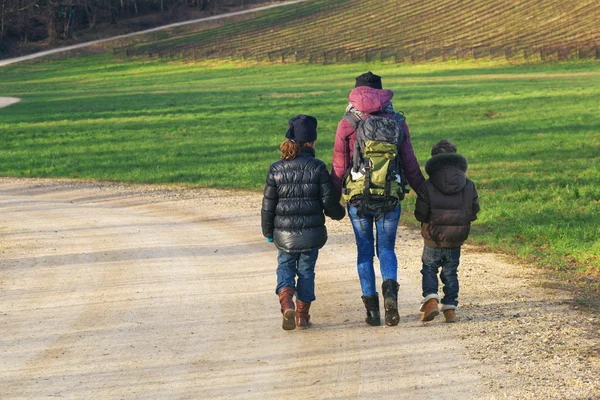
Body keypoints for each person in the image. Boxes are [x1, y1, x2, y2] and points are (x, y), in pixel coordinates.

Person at [331, 72, 425, 326]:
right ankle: (390, 295)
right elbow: (410, 162)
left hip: (358, 199)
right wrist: (425, 191)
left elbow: (339, 166)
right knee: (386, 249)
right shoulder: (397, 121)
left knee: (364, 253)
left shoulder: (347, 122)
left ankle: (372, 310)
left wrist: (329, 197)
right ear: (382, 93)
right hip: (390, 196)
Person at [262, 114, 345, 331]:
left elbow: (268, 204)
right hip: (311, 235)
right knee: (307, 272)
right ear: (312, 142)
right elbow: (328, 200)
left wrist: (268, 231)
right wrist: (339, 213)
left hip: (284, 235)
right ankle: (302, 316)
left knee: (285, 266)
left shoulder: (276, 168)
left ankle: (286, 301)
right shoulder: (317, 167)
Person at [414, 139, 480, 323]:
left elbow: (421, 213)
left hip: (433, 237)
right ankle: (450, 307)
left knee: (429, 268)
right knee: (451, 271)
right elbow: (474, 210)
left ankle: (432, 299)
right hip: (456, 238)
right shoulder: (468, 184)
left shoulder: (427, 185)